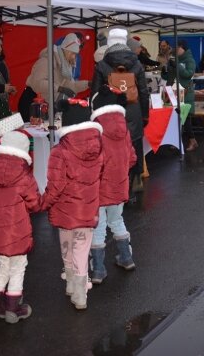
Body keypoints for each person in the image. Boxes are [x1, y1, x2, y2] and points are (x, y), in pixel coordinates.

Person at [41, 99, 103, 310]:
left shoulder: (59, 151)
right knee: (82, 249)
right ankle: (80, 294)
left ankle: (70, 283)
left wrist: (43, 203)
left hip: (65, 209)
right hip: (87, 208)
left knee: (66, 243)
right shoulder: (98, 147)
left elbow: (55, 185)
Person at [0, 131, 41, 324]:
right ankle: (13, 308)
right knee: (18, 266)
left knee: (4, 265)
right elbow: (35, 204)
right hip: (16, 233)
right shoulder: (24, 175)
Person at [91, 28, 149, 195]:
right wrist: (145, 115)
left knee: (113, 147)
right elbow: (144, 93)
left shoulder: (102, 64)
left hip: (110, 113)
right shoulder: (137, 64)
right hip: (134, 111)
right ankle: (136, 177)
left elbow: (94, 94)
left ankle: (116, 182)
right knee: (135, 143)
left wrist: (94, 114)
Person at [89, 86, 137, 285]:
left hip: (99, 187)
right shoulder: (123, 128)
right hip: (119, 185)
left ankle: (99, 269)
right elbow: (132, 157)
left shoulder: (95, 131)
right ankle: (126, 258)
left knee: (98, 226)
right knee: (117, 220)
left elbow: (91, 161)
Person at [17, 33, 89, 122]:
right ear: (66, 50)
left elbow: (71, 85)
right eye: (73, 53)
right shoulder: (47, 60)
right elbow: (37, 83)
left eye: (76, 54)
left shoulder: (65, 66)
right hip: (32, 103)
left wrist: (88, 84)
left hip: (45, 105)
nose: (74, 57)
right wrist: (59, 88)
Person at [164, 40, 198, 151]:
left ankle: (192, 141)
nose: (175, 50)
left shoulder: (190, 60)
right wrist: (165, 69)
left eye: (177, 48)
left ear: (182, 48)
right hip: (174, 92)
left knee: (185, 118)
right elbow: (168, 77)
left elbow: (188, 74)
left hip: (186, 93)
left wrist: (177, 65)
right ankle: (177, 142)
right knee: (177, 118)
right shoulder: (176, 60)